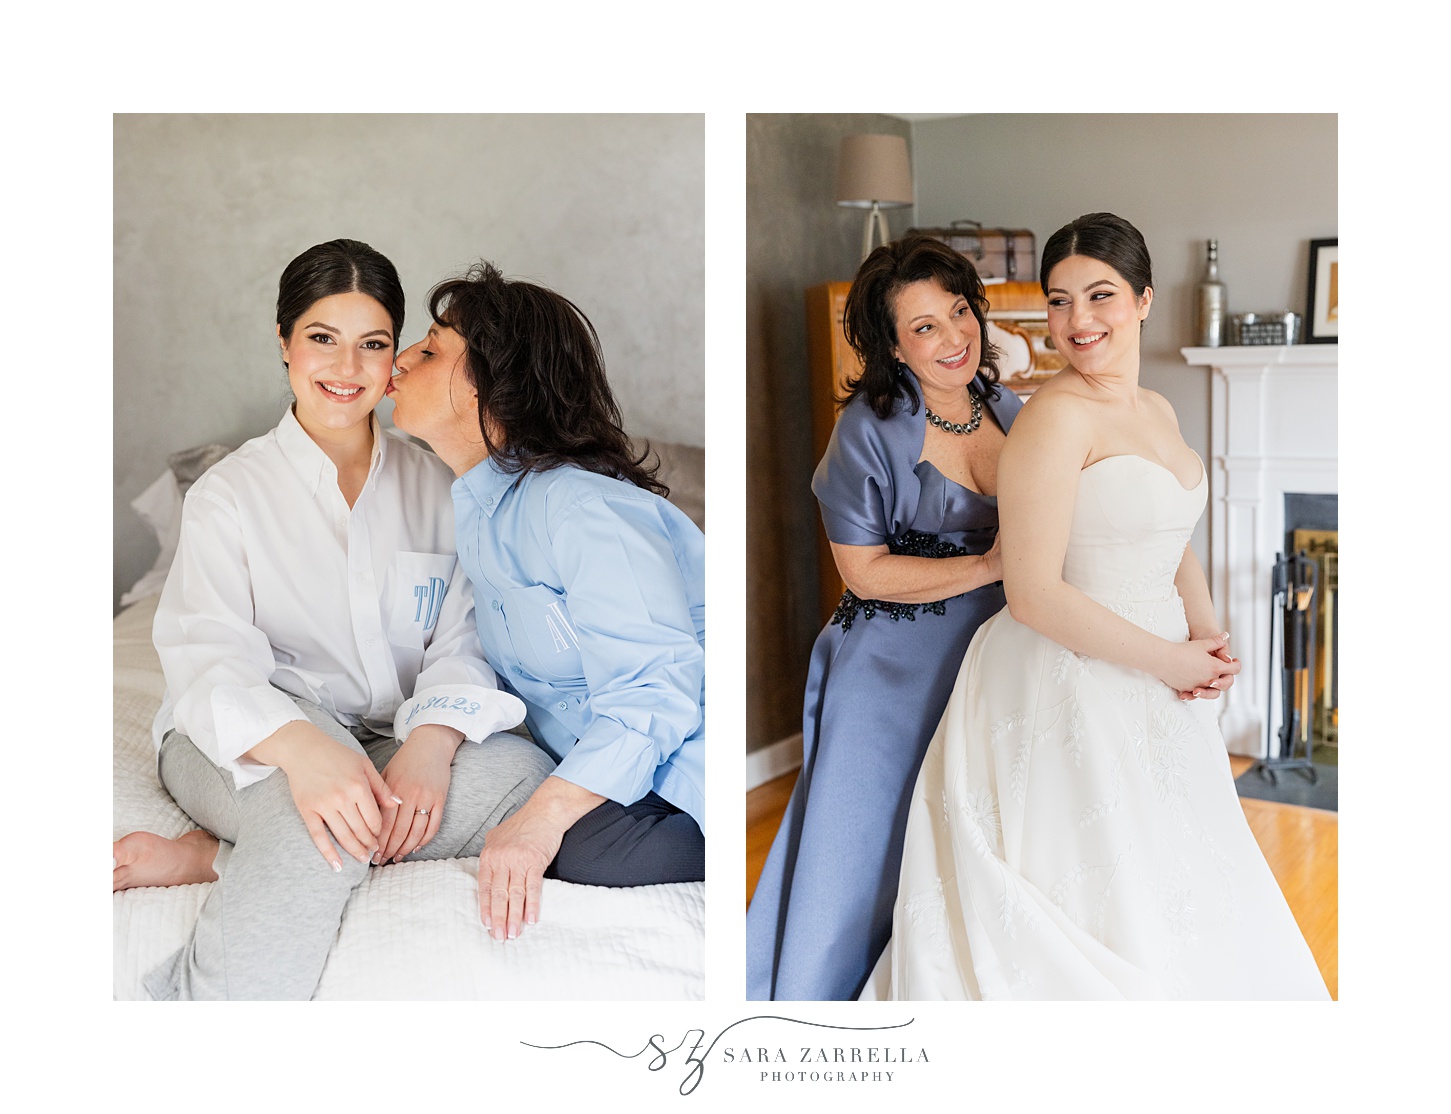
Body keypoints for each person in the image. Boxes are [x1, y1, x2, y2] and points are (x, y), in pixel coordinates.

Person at [865, 213, 1329, 999]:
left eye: (1100, 296)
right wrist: (1172, 658)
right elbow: (1033, 592)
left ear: (1143, 299)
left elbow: (1168, 533)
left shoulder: (1156, 410)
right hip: (1068, 670)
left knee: (1177, 871)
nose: (1076, 321)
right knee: (1097, 880)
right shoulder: (1053, 417)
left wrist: (1207, 630)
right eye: (1058, 300)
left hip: (1160, 665)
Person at [111, 240, 555, 1000]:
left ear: (395, 361)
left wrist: (432, 740)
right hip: (241, 733)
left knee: (524, 776)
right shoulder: (229, 493)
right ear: (285, 345)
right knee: (312, 818)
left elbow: (462, 634)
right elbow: (208, 657)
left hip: (390, 733)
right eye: (322, 338)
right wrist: (306, 754)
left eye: (372, 344)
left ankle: (213, 853)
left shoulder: (435, 483)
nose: (346, 368)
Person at [385, 261, 706, 944]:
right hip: (591, 766)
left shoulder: (585, 509)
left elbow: (656, 690)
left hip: (678, 774)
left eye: (432, 348)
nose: (400, 359)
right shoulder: (477, 508)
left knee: (580, 849)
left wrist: (540, 821)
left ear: (497, 385)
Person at [746, 235, 1024, 1000]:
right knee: (866, 852)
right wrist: (988, 566)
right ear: (891, 345)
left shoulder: (1009, 408)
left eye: (958, 311)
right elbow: (861, 572)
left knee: (970, 838)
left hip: (995, 658)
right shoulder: (866, 430)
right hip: (891, 671)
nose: (953, 336)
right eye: (924, 326)